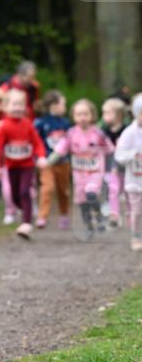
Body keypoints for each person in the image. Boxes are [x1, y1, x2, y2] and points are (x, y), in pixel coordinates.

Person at [46, 98, 115, 238]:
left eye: (85, 114)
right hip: (78, 175)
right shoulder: (71, 134)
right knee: (82, 201)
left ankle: (99, 215)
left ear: (92, 115)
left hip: (95, 172)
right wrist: (47, 162)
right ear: (74, 116)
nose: (82, 117)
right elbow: (60, 150)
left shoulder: (98, 134)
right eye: (79, 114)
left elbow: (110, 150)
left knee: (91, 193)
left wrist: (113, 166)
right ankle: (89, 226)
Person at [0, 88, 48, 239]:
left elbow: (37, 143)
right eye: (14, 104)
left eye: (21, 104)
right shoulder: (4, 127)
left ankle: (26, 223)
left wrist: (41, 156)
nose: (18, 108)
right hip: (11, 166)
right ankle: (25, 209)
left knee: (24, 191)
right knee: (15, 196)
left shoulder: (28, 124)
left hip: (27, 165)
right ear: (5, 107)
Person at [0, 61, 40, 224]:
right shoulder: (6, 89)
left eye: (33, 77)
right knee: (8, 181)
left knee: (28, 180)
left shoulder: (33, 87)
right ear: (20, 74)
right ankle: (8, 207)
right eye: (29, 77)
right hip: (6, 138)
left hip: (25, 135)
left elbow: (33, 107)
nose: (31, 80)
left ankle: (28, 206)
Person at [34, 90, 73, 230]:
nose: (65, 107)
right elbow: (34, 141)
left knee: (63, 190)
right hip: (47, 163)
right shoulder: (40, 123)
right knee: (47, 188)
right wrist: (37, 158)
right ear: (54, 105)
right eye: (63, 104)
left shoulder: (66, 123)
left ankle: (64, 214)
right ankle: (42, 217)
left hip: (64, 163)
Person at [113, 93, 142, 251]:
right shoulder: (129, 133)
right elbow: (119, 155)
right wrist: (132, 155)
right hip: (135, 182)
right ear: (137, 114)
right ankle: (136, 236)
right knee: (137, 211)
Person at [101, 97, 129, 227]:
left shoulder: (127, 130)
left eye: (107, 113)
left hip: (126, 167)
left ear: (118, 115)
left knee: (127, 190)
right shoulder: (103, 130)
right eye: (103, 113)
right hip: (110, 165)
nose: (104, 116)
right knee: (113, 188)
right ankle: (114, 215)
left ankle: (131, 213)